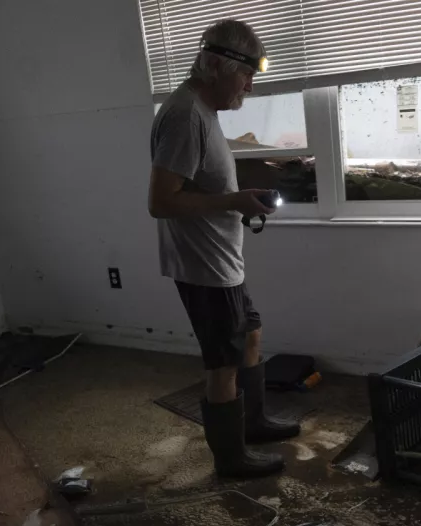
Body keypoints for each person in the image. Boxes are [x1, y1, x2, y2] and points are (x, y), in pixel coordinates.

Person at [148, 19, 299, 479]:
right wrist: (234, 201)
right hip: (204, 267)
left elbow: (199, 186)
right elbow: (161, 201)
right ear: (215, 65)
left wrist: (238, 201)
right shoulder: (184, 115)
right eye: (246, 75)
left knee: (249, 335)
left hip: (223, 259)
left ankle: (250, 424)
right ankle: (231, 459)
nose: (250, 87)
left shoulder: (205, 112)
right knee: (222, 363)